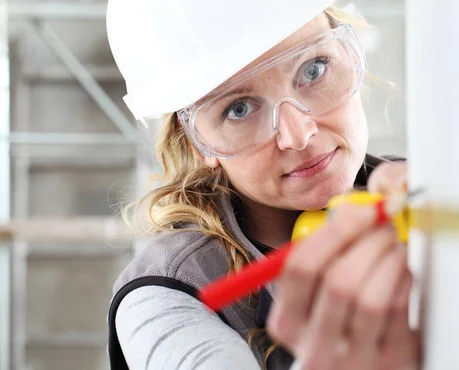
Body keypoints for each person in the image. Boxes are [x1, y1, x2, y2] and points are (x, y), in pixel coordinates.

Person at [105, 0, 420, 369]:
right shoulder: (167, 297)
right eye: (239, 109)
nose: (298, 135)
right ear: (197, 142)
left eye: (314, 69)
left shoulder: (430, 196)